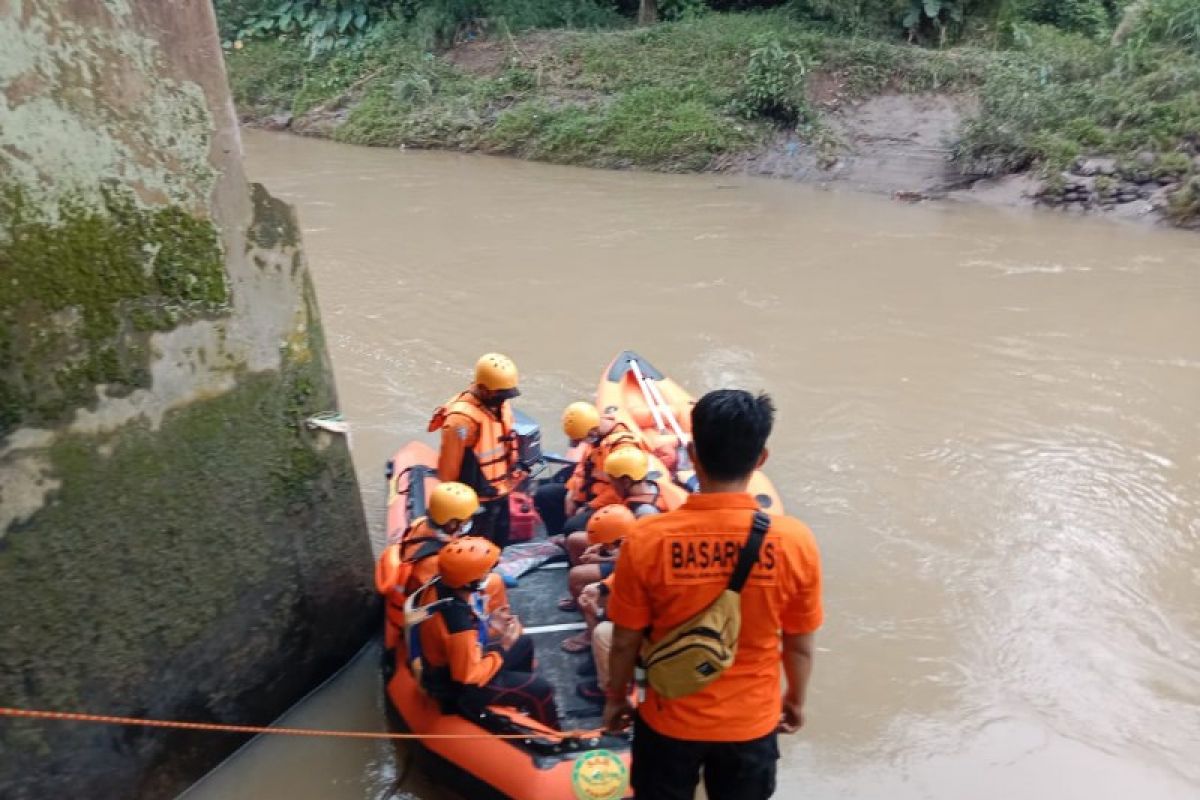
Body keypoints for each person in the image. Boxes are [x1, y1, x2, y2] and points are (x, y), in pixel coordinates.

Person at [604, 389, 823, 800]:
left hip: (668, 720)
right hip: (751, 724)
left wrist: (617, 697)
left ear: (691, 453)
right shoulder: (795, 542)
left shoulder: (648, 540)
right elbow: (799, 645)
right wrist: (794, 700)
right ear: (761, 460)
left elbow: (625, 640)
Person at [413, 537, 559, 728]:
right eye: (485, 573)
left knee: (523, 643)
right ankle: (554, 739)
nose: (489, 575)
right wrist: (503, 647)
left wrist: (490, 622)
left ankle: (515, 701)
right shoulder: (458, 625)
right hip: (460, 688)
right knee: (541, 689)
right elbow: (468, 676)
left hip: (459, 663)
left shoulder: (441, 586)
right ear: (469, 582)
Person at [376, 482, 510, 654]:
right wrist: (483, 575)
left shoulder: (421, 524)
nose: (470, 522)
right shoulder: (433, 564)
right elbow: (453, 594)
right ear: (451, 524)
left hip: (422, 596)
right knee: (494, 583)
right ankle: (496, 632)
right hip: (429, 613)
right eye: (467, 519)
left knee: (492, 580)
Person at [429, 353, 524, 548]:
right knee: (480, 545)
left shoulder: (499, 403)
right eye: (501, 394)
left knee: (500, 537)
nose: (504, 399)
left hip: (501, 488)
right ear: (483, 389)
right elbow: (449, 469)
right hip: (476, 497)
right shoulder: (460, 421)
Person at [556, 447, 666, 612]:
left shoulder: (646, 514)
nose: (612, 487)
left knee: (576, 576)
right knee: (574, 540)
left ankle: (593, 623)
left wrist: (601, 558)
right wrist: (601, 547)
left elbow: (641, 561)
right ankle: (581, 598)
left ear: (626, 481)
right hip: (629, 547)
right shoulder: (647, 487)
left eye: (613, 482)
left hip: (647, 568)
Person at [534, 402, 644, 536]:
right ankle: (558, 536)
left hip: (609, 502)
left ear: (592, 432)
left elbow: (618, 490)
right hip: (590, 492)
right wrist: (571, 493)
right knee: (545, 494)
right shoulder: (595, 439)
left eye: (583, 440)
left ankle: (573, 543)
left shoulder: (623, 447)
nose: (583, 443)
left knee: (573, 527)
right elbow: (582, 469)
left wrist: (590, 506)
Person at [559, 504, 635, 658]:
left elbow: (628, 569)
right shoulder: (628, 534)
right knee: (589, 593)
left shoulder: (638, 548)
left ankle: (596, 642)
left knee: (587, 594)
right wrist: (600, 548)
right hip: (625, 570)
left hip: (635, 591)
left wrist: (600, 559)